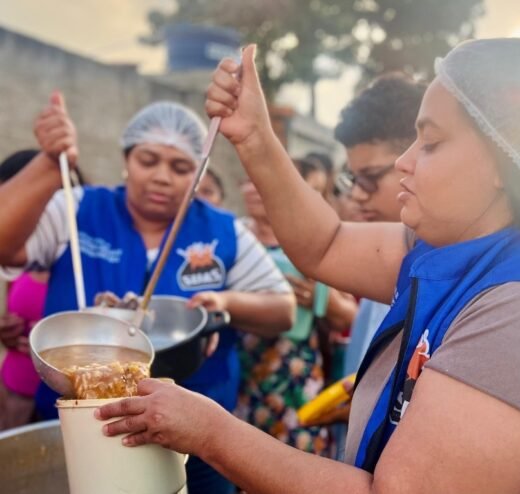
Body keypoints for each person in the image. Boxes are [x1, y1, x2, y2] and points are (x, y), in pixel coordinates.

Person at [97, 40, 520, 493]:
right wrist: (255, 137)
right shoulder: (465, 252)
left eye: (431, 143)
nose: (403, 162)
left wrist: (210, 431)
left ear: (506, 163)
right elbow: (324, 245)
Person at [0, 92, 294, 493]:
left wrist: (226, 302)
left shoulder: (225, 231)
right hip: (83, 429)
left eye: (180, 167)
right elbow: (6, 245)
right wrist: (50, 163)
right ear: (126, 160)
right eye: (148, 160)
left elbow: (283, 310)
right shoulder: (79, 209)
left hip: (196, 436)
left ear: (198, 173)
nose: (161, 177)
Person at [235, 157, 357, 455]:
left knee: (297, 454)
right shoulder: (234, 237)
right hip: (239, 365)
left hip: (293, 367)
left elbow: (349, 318)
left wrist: (319, 298)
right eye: (249, 180)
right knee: (238, 453)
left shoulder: (308, 243)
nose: (255, 188)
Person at [333, 74, 426, 376]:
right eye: (354, 179)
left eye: (371, 177)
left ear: (416, 160)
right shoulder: (383, 260)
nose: (358, 194)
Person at [0, 149, 85, 430]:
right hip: (16, 388)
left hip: (67, 398)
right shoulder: (17, 258)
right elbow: (11, 309)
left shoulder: (86, 260)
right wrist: (5, 332)